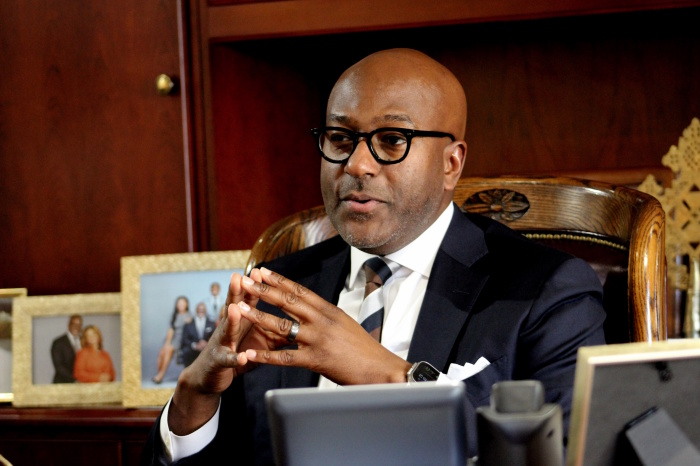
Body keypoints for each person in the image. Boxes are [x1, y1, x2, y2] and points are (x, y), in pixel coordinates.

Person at [141, 48, 606, 464]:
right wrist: (193, 398)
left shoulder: (546, 291)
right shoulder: (278, 287)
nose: (357, 165)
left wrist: (388, 375)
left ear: (451, 164)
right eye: (341, 139)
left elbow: (562, 452)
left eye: (391, 140)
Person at [151, 296, 191, 384]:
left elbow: (189, 331)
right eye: (179, 303)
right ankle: (159, 374)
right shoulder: (175, 315)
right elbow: (171, 330)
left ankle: (160, 376)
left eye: (182, 303)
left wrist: (168, 345)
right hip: (172, 339)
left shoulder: (189, 316)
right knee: (162, 352)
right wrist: (167, 342)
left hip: (181, 340)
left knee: (168, 350)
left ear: (186, 304)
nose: (181, 305)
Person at [180, 302, 216, 367]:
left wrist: (207, 344)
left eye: (202, 309)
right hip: (192, 348)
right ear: (196, 310)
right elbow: (185, 339)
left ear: (205, 310)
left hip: (207, 347)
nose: (201, 311)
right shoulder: (188, 323)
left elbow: (215, 337)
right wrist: (195, 345)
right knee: (186, 351)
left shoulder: (211, 323)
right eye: (199, 309)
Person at [50, 314, 82, 383]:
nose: (77, 327)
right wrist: (75, 380)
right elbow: (59, 367)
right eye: (74, 324)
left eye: (79, 325)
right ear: (68, 325)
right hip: (63, 382)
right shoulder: (58, 342)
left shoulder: (84, 340)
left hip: (82, 383)